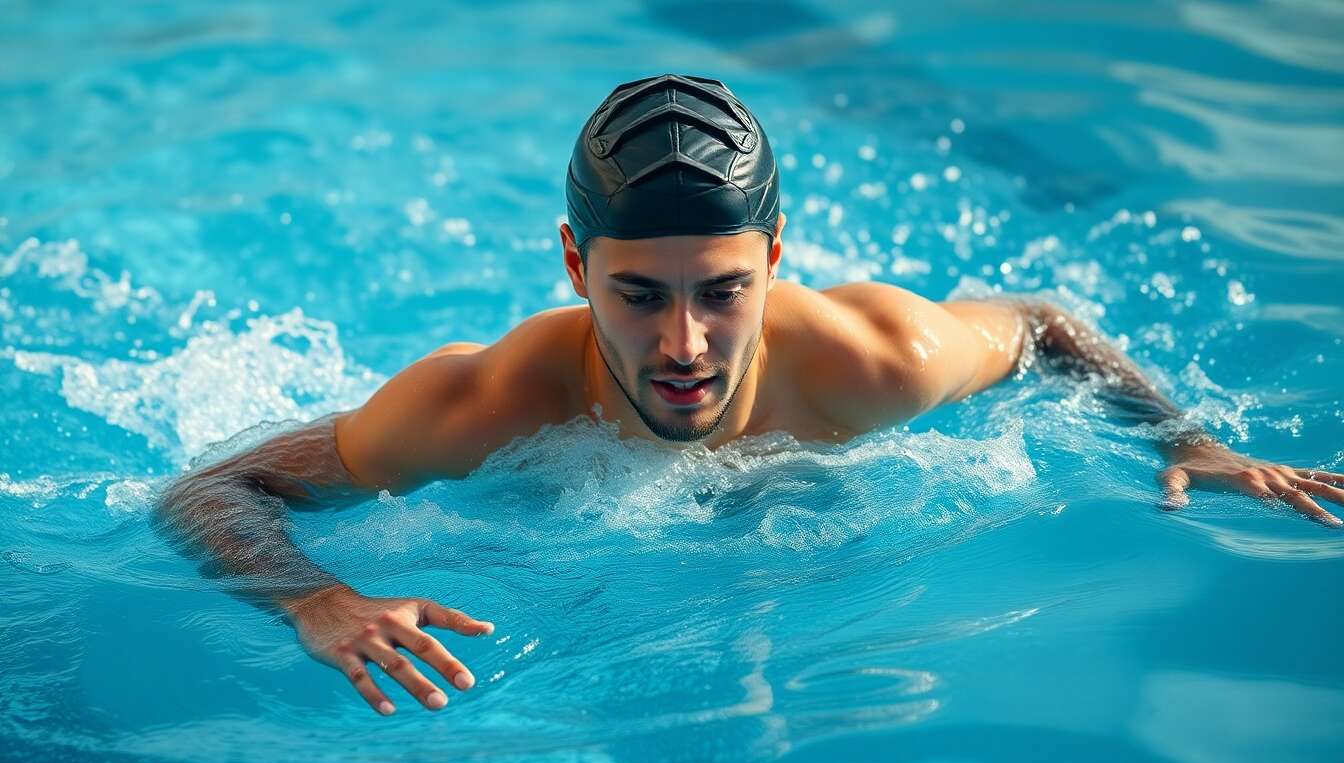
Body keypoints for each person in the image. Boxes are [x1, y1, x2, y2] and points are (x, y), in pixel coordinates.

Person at [155, 74, 1344, 717]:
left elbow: (1040, 323)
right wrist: (313, 597)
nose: (684, 343)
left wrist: (1186, 437)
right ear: (574, 267)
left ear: (775, 259)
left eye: (723, 292)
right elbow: (210, 488)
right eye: (638, 296)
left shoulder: (874, 361)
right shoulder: (486, 403)